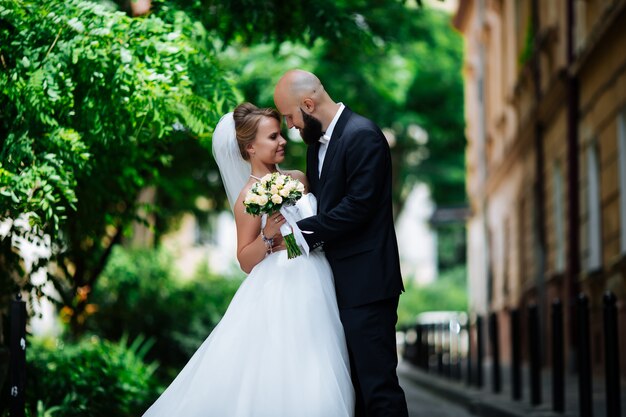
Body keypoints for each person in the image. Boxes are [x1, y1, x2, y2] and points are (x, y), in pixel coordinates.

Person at [142, 103, 355, 417]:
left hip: (317, 277)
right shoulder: (248, 196)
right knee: (283, 366)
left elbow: (311, 230)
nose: (282, 141)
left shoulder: (299, 178)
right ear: (250, 147)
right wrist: (269, 235)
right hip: (281, 285)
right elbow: (244, 258)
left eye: (281, 134)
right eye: (272, 137)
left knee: (320, 361)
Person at [274, 69, 409, 417]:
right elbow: (323, 207)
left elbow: (358, 207)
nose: (290, 126)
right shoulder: (314, 148)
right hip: (333, 287)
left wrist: (295, 235)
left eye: (290, 117)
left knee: (377, 389)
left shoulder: (363, 134)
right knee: (354, 395)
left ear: (308, 104)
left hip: (367, 287)